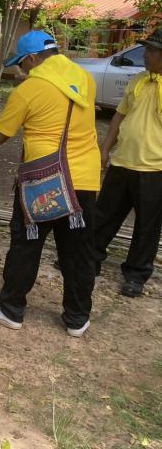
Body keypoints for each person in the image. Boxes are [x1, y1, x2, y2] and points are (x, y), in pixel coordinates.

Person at [0, 30, 100, 337]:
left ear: (32, 58)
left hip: (42, 181)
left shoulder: (29, 89)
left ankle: (11, 309)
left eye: (22, 64)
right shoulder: (86, 79)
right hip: (83, 180)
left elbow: (1, 134)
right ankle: (77, 319)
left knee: (27, 245)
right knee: (78, 251)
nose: (22, 70)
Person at [93, 29, 162, 297]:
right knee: (104, 215)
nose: (146, 55)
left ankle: (136, 274)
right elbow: (119, 117)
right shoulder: (138, 80)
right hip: (122, 162)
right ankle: (90, 258)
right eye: (147, 49)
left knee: (147, 226)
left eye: (152, 51)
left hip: (154, 169)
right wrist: (105, 149)